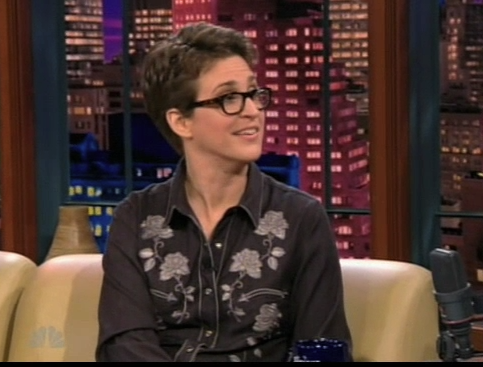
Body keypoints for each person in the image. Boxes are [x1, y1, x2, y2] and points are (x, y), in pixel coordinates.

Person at [95, 21, 352, 362]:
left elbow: (321, 348)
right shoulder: (137, 217)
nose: (252, 111)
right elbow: (124, 344)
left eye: (254, 94)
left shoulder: (301, 218)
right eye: (229, 97)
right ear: (181, 121)